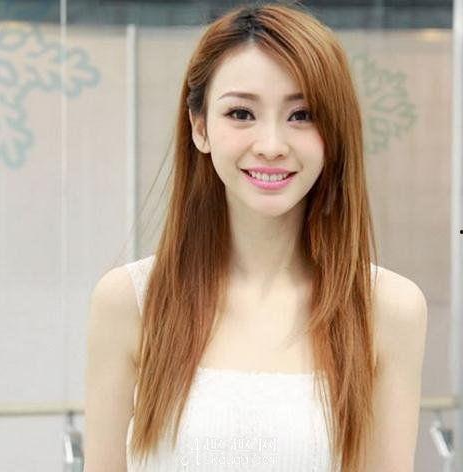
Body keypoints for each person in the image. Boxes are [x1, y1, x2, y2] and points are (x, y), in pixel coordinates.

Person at [83, 2, 428, 471]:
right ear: (200, 127)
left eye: (302, 114)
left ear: (334, 132)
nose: (271, 145)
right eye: (241, 113)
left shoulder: (387, 309)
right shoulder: (130, 301)